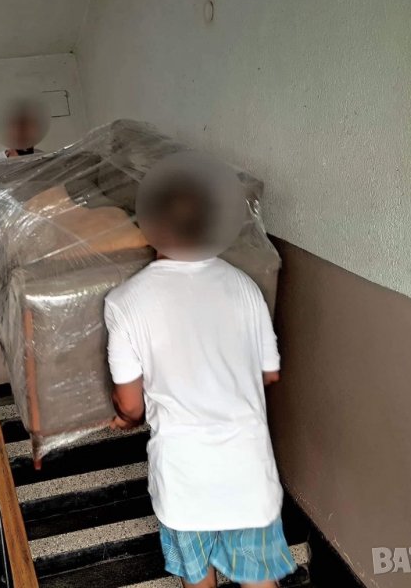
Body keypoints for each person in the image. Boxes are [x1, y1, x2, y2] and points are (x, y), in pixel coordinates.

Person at [103, 160, 296, 588]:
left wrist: (124, 417)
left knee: (198, 581)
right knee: (260, 581)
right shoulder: (245, 287)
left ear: (148, 225)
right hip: (247, 471)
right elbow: (267, 373)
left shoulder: (125, 301)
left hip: (185, 478)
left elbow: (131, 405)